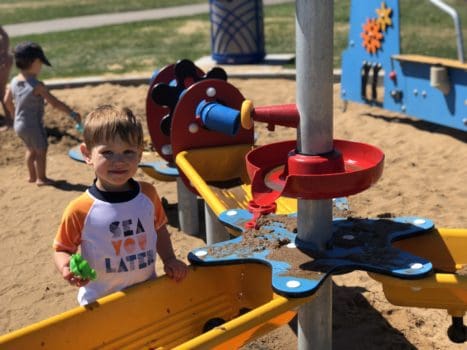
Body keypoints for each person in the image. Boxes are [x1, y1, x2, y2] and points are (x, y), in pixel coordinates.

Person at [53, 105, 188, 305]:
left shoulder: (148, 195)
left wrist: (169, 259)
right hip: (100, 301)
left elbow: (159, 229)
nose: (119, 161)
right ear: (87, 154)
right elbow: (62, 248)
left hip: (146, 291)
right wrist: (67, 267)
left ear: (140, 154)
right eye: (107, 152)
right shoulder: (80, 209)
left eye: (128, 152)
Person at [3, 41, 81, 185]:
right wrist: (71, 113)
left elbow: (7, 101)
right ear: (35, 62)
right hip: (33, 125)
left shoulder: (14, 81)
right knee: (41, 150)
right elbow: (55, 103)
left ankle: (32, 176)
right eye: (40, 63)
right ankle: (41, 178)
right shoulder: (37, 86)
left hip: (19, 125)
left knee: (30, 149)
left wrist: (15, 115)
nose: (41, 67)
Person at [0, 26, 13, 128]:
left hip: (2, 59)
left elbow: (4, 35)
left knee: (1, 91)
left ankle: (10, 121)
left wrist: (3, 54)